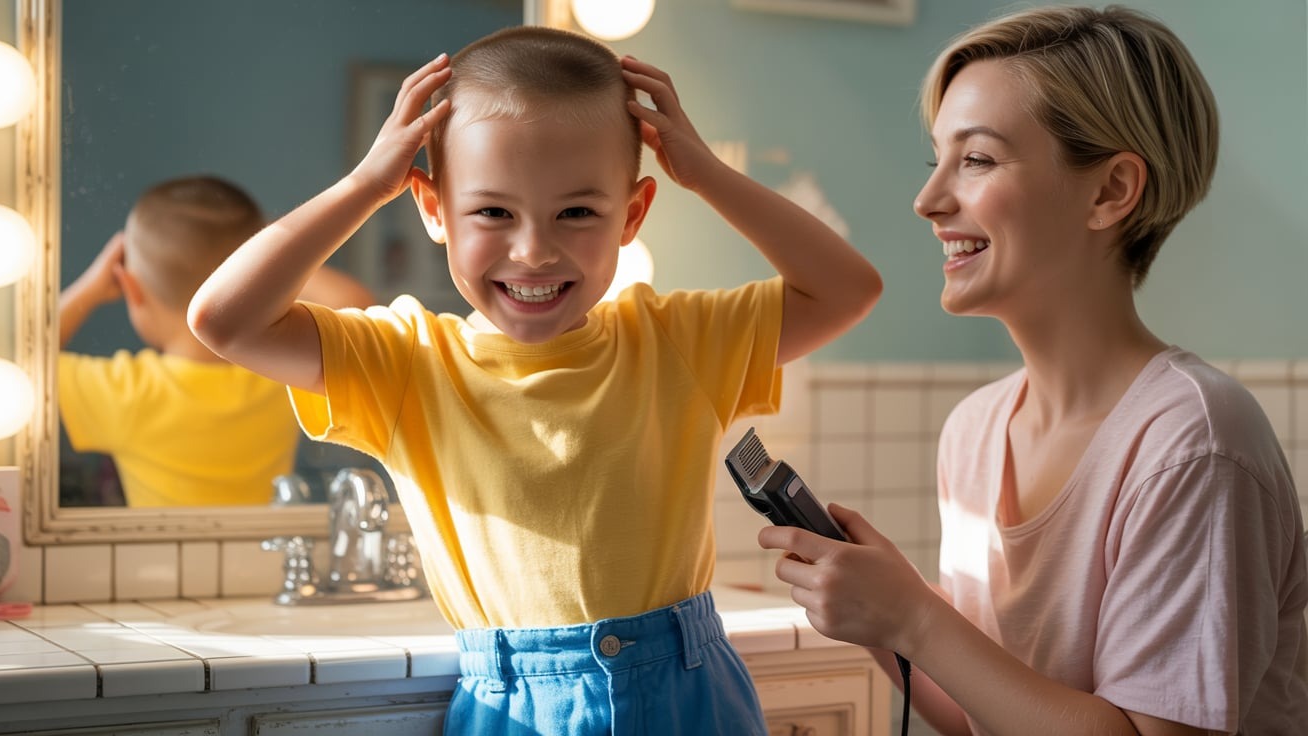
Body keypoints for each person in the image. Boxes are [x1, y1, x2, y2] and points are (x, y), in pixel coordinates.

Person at [187, 25, 882, 736]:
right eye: (492, 211)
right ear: (432, 208)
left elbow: (847, 289)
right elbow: (223, 319)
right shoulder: (405, 364)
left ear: (632, 215)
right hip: (511, 710)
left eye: (577, 212)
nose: (534, 250)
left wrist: (703, 172)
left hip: (692, 700)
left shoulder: (681, 342)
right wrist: (367, 185)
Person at [760, 5, 1308, 735]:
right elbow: (979, 715)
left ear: (1112, 191)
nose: (929, 201)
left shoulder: (1195, 444)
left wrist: (916, 619)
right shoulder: (974, 431)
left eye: (978, 159)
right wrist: (877, 617)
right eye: (938, 160)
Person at [59, 175, 374, 507]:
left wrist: (90, 288)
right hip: (259, 559)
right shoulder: (278, 375)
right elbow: (356, 305)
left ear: (130, 289)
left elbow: (23, 353)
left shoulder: (125, 392)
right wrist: (267, 249)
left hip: (162, 561)